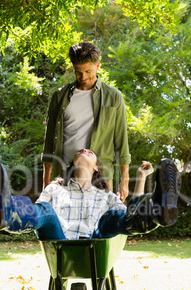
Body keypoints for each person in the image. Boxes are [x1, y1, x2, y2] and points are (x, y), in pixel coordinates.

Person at [0, 149, 180, 240]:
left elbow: (129, 217)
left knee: (115, 216)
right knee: (44, 211)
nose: (84, 150)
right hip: (59, 237)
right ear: (72, 164)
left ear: (96, 167)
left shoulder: (105, 196)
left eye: (90, 152)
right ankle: (7, 212)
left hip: (96, 238)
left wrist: (141, 177)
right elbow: (35, 214)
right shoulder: (55, 188)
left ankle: (159, 210)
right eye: (81, 151)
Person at [41, 42, 131, 202]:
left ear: (97, 66)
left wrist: (124, 181)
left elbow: (121, 143)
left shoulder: (114, 97)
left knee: (100, 225)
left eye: (88, 71)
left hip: (100, 179)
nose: (83, 77)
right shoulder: (59, 97)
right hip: (62, 178)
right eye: (78, 72)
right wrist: (45, 183)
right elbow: (49, 144)